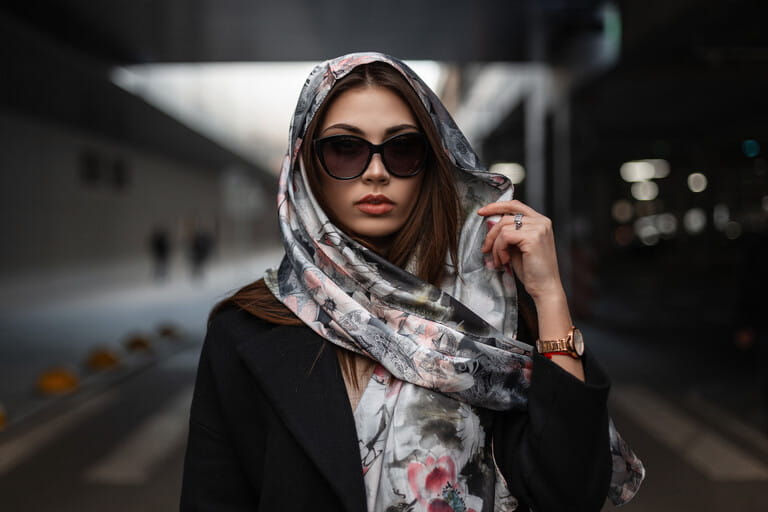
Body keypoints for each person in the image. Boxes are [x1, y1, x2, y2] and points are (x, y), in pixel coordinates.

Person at [181, 53, 644, 512]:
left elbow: (570, 491)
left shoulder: (490, 313)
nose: (376, 171)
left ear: (432, 162)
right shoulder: (244, 329)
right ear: (307, 165)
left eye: (402, 149)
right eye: (345, 148)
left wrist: (550, 296)